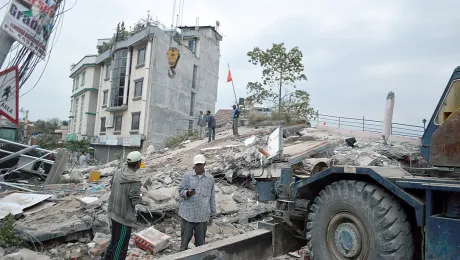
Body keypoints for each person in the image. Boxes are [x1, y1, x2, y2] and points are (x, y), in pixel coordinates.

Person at [104, 151, 143, 260]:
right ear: (138, 164)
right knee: (120, 248)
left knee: (114, 242)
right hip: (123, 219)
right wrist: (141, 195)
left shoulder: (118, 172)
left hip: (113, 213)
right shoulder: (135, 180)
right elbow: (135, 200)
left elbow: (112, 184)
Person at [178, 154, 216, 251]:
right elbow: (180, 190)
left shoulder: (210, 178)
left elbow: (212, 196)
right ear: (194, 165)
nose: (198, 167)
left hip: (202, 216)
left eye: (200, 164)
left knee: (201, 245)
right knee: (184, 243)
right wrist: (187, 193)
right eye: (197, 165)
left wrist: (212, 213)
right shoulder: (187, 176)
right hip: (188, 215)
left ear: (205, 164)